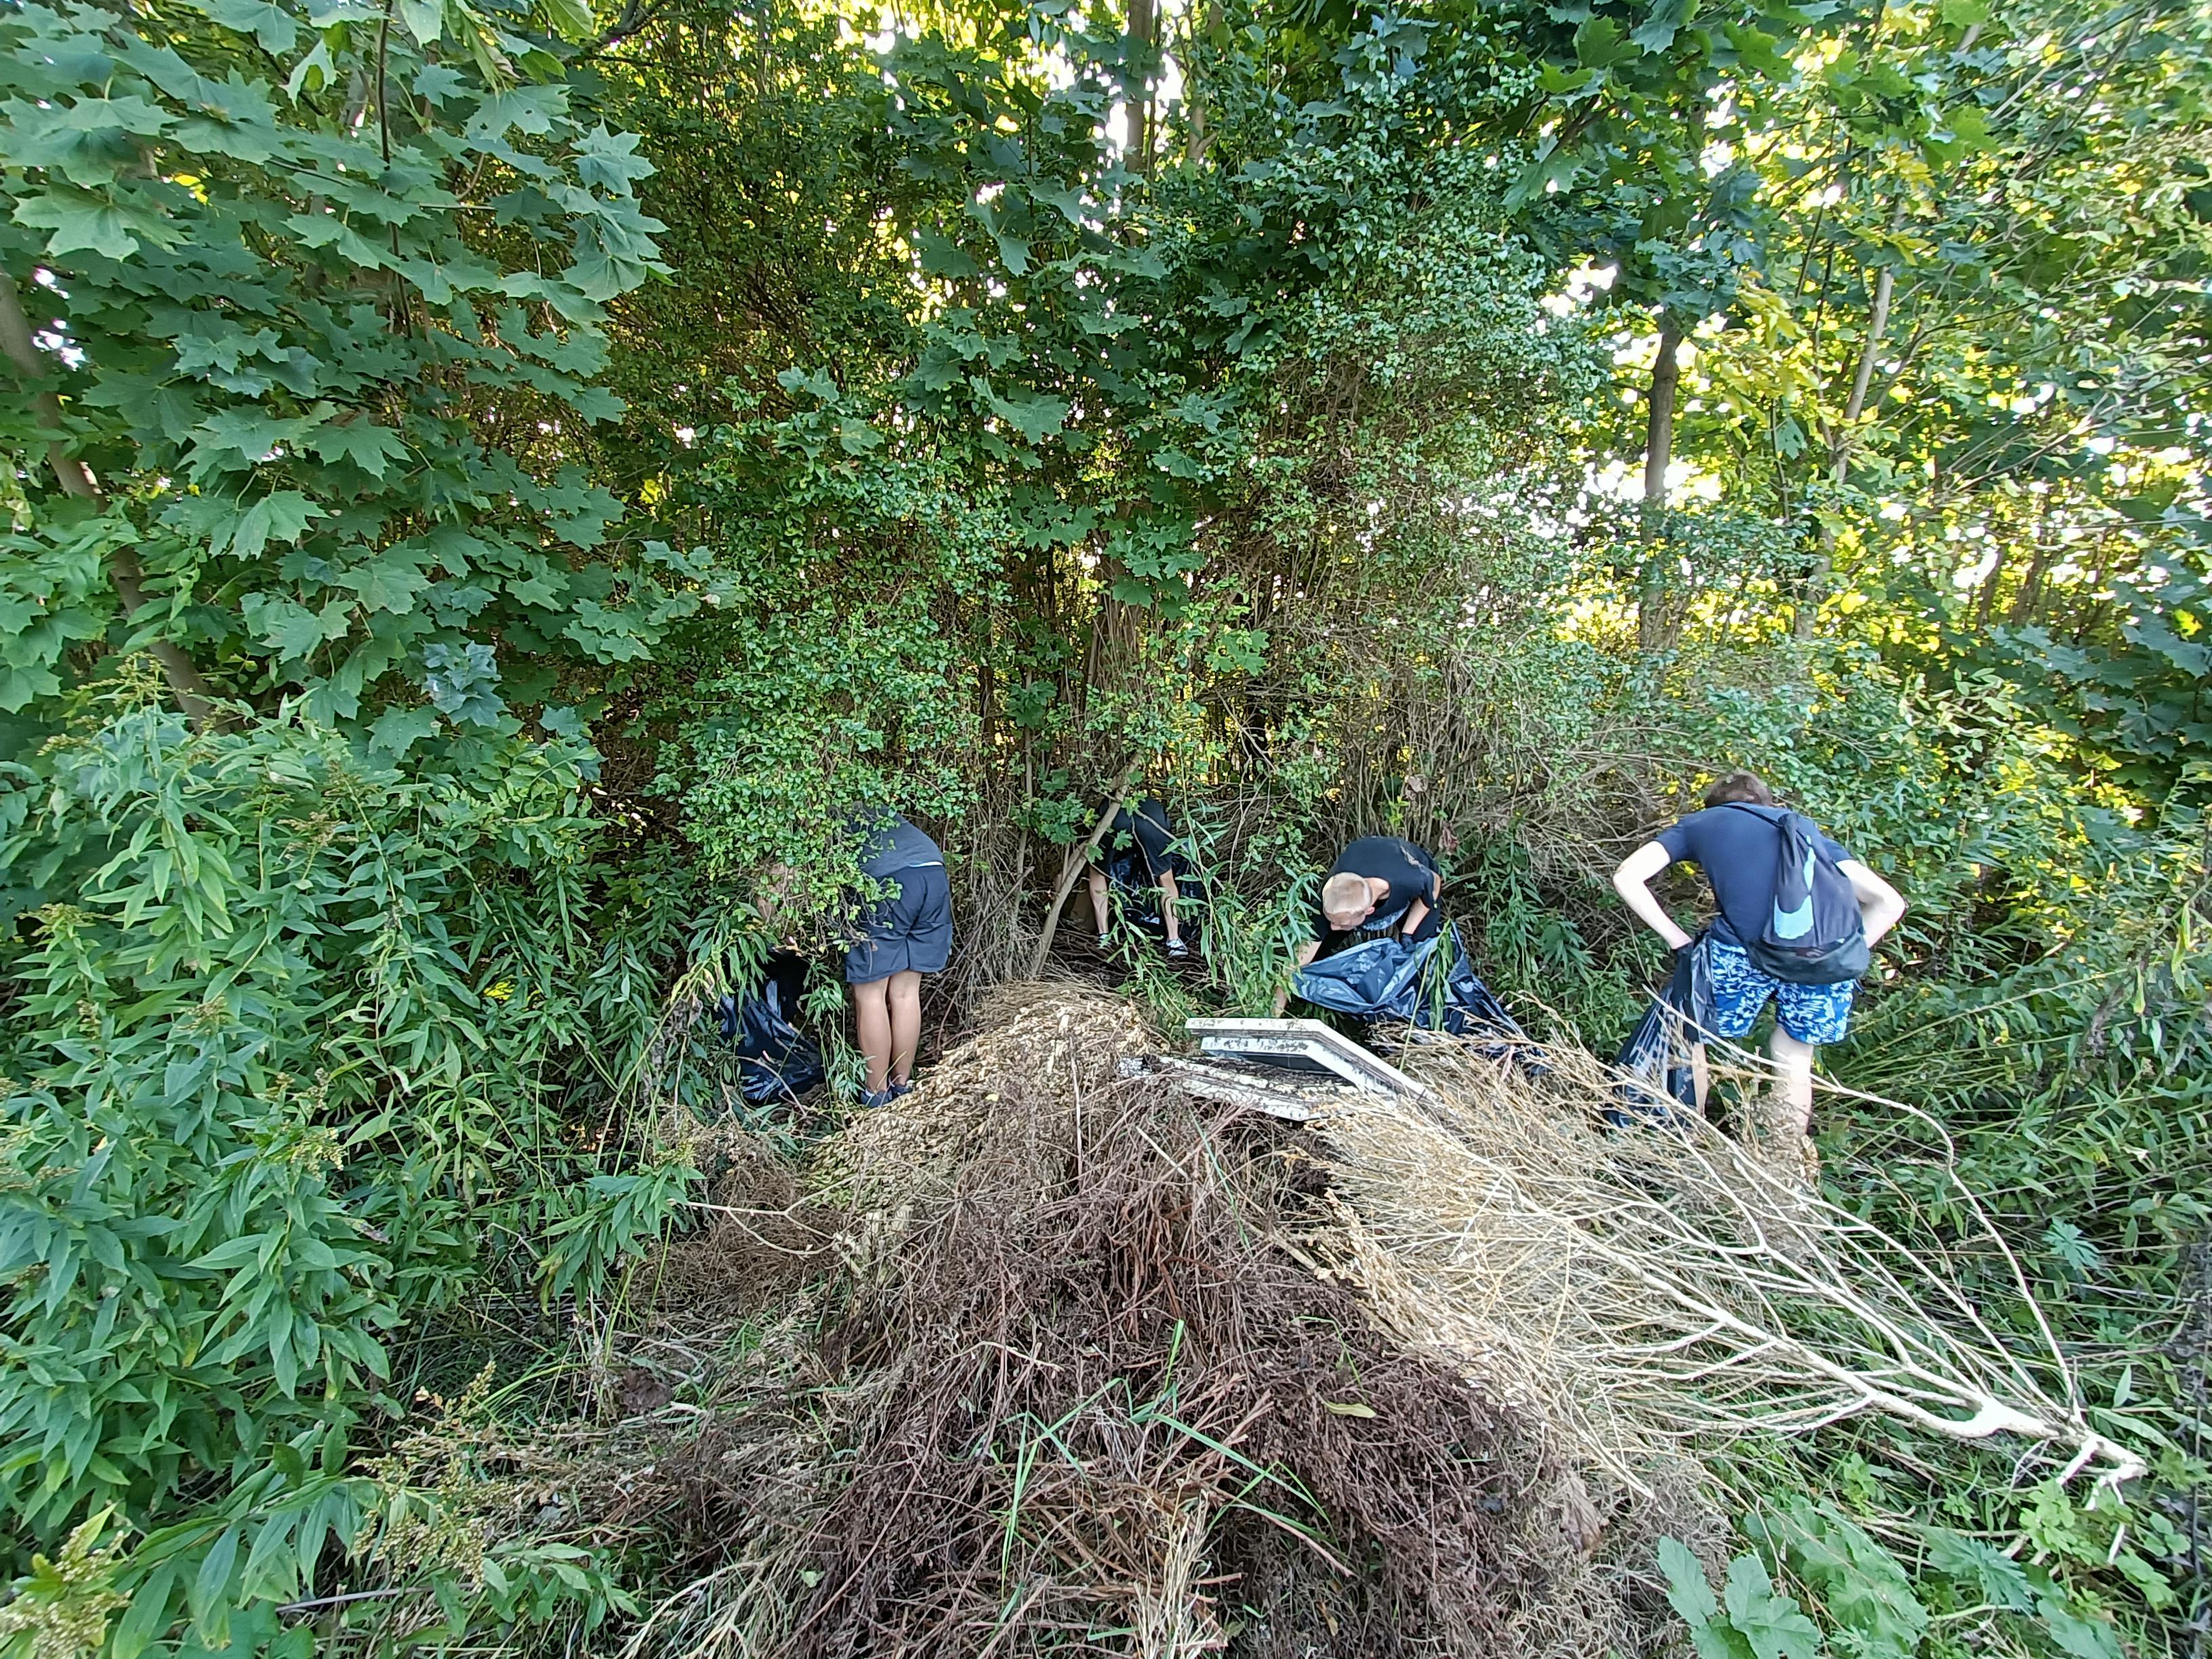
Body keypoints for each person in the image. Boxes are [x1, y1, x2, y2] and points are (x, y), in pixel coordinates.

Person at [1610, 770, 1906, 1164]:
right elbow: (1890, 903)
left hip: (1740, 952)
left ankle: (1683, 1151)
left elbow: (1627, 876)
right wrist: (1840, 953)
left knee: (1690, 1038)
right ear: (1766, 803)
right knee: (1793, 1053)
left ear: (1716, 804)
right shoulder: (1802, 833)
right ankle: (1782, 1163)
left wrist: (1677, 939)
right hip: (1821, 962)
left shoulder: (1702, 823)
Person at [844, 811, 953, 1109]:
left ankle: (875, 1093)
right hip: (933, 874)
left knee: (870, 994)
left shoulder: (823, 808)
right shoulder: (872, 798)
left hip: (888, 881)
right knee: (905, 993)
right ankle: (901, 1086)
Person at [1273, 834, 1442, 1015]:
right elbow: (1295, 963)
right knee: (1320, 947)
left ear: (1369, 912)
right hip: (1364, 866)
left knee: (1419, 951)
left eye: (1340, 924)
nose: (1334, 927)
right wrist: (1274, 1012)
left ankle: (1411, 1012)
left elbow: (1434, 884)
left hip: (1408, 876)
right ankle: (1307, 1003)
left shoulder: (1411, 880)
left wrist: (1407, 934)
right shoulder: (1330, 897)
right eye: (1332, 921)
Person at [1086, 796, 1188, 958]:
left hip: (1114, 815)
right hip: (1151, 820)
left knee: (1097, 871)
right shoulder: (1152, 803)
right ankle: (1174, 941)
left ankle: (1104, 935)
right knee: (1165, 876)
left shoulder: (1106, 798)